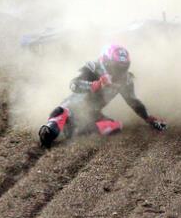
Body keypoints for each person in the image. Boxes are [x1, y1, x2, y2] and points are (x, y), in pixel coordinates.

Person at [38, 44, 167, 148]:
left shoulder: (125, 79)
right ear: (106, 61)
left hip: (93, 114)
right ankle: (49, 131)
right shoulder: (93, 68)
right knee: (61, 113)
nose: (120, 71)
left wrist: (149, 118)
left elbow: (132, 101)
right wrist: (93, 85)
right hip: (72, 107)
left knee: (116, 126)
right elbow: (73, 84)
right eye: (117, 67)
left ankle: (77, 130)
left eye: (123, 67)